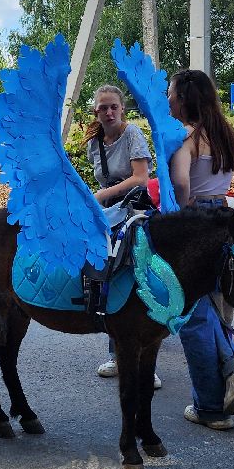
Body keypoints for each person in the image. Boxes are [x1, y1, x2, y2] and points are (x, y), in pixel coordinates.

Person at [166, 69, 234, 431]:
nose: (168, 99)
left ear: (183, 99)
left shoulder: (186, 136)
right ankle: (233, 369)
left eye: (171, 93)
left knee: (194, 317)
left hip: (196, 220)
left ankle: (211, 407)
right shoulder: (222, 132)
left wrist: (180, 213)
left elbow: (181, 182)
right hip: (223, 217)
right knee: (211, 306)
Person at [87, 85, 156, 383]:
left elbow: (141, 178)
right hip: (108, 215)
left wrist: (101, 195)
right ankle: (117, 352)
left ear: (122, 109)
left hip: (134, 212)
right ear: (96, 112)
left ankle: (146, 360)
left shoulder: (133, 135)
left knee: (140, 281)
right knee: (109, 278)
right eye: (103, 108)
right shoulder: (94, 143)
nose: (109, 112)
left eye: (113, 106)